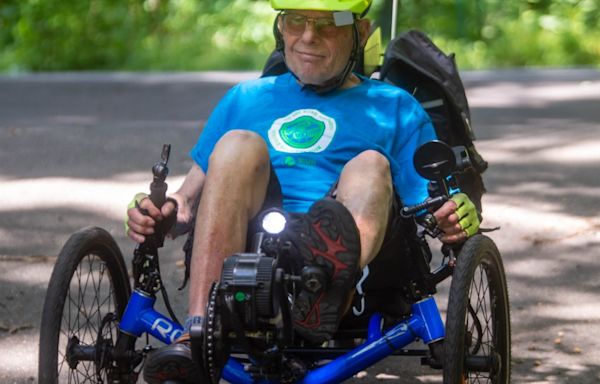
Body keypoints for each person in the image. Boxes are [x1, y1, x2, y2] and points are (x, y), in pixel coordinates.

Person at [126, 0, 480, 382]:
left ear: (359, 33)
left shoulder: (395, 107)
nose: (308, 37)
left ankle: (324, 292)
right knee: (236, 144)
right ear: (281, 29)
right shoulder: (244, 99)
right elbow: (187, 201)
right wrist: (159, 210)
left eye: (328, 24)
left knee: (370, 164)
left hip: (354, 256)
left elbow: (433, 205)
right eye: (296, 21)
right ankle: (199, 334)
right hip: (254, 244)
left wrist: (455, 213)